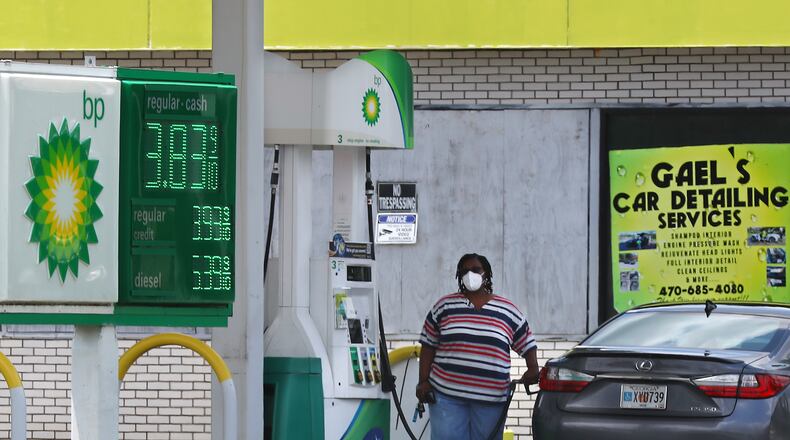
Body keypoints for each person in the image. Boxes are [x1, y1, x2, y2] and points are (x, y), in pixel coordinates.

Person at [416, 253, 540, 440]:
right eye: (464, 271)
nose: (470, 274)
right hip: (447, 397)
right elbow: (428, 346)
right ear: (459, 276)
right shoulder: (444, 306)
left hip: (491, 399)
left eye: (476, 270)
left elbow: (526, 341)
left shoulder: (506, 310)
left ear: (486, 274)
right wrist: (423, 381)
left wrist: (533, 368)